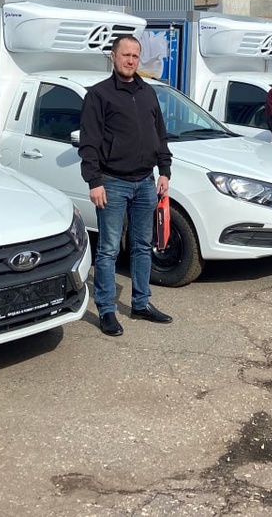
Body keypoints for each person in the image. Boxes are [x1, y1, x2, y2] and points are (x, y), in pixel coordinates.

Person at [78, 34, 174, 337]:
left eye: (135, 55)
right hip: (112, 182)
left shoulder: (148, 92)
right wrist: (94, 181)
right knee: (108, 250)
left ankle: (141, 303)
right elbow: (89, 143)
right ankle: (106, 309)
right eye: (125, 55)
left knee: (142, 246)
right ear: (113, 56)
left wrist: (164, 171)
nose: (130, 60)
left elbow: (159, 134)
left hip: (145, 182)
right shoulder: (99, 95)